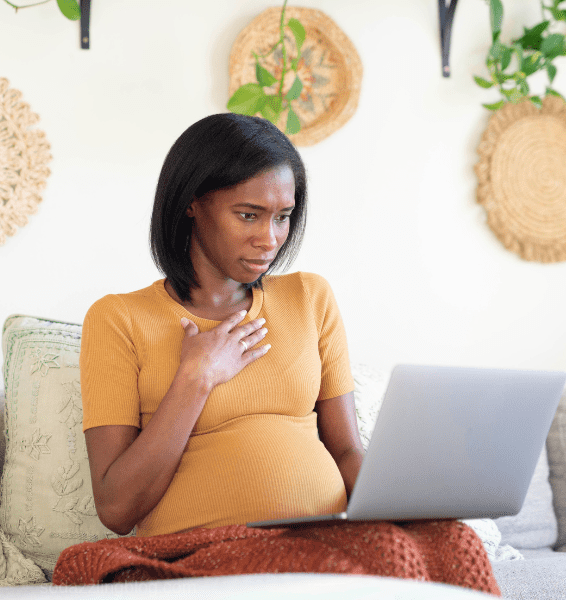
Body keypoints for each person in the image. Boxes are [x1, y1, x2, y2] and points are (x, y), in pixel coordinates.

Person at [79, 113, 364, 537]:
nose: (269, 239)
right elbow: (117, 508)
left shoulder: (310, 297)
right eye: (249, 215)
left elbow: (345, 452)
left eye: (282, 216)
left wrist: (407, 505)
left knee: (450, 540)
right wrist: (196, 377)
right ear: (192, 202)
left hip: (324, 543)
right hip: (199, 556)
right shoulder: (118, 319)